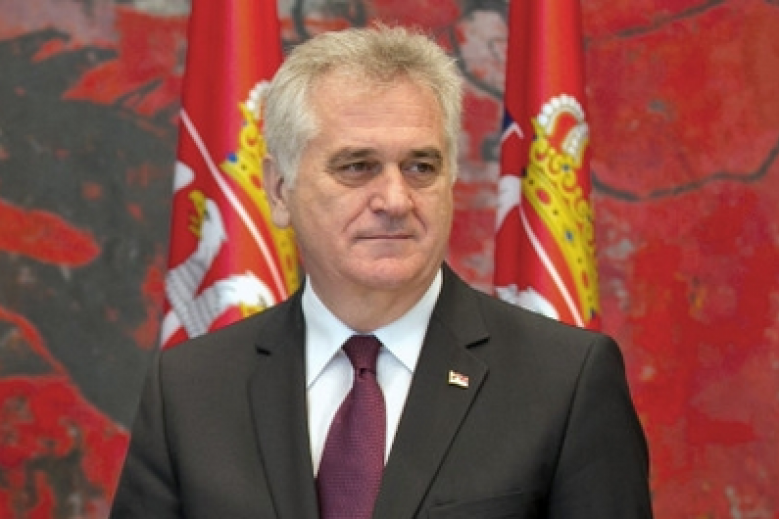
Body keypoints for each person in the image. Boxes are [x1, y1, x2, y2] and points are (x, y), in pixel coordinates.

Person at [110, 25, 653, 519]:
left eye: (420, 167)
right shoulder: (190, 390)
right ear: (278, 190)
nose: (395, 199)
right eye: (357, 166)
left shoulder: (565, 380)